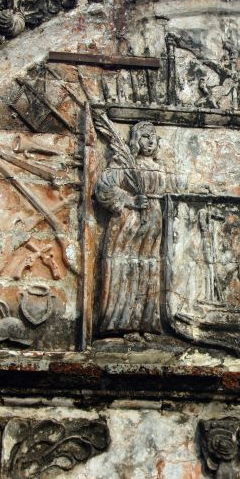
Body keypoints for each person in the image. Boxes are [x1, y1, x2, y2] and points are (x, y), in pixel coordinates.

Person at [94, 121, 182, 336]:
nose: (150, 140)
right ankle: (120, 322)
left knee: (149, 270)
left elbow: (173, 191)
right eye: (144, 136)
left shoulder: (160, 167)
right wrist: (130, 200)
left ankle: (145, 323)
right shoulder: (125, 163)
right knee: (125, 269)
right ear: (135, 140)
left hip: (153, 226)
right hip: (128, 224)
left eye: (153, 136)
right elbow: (103, 187)